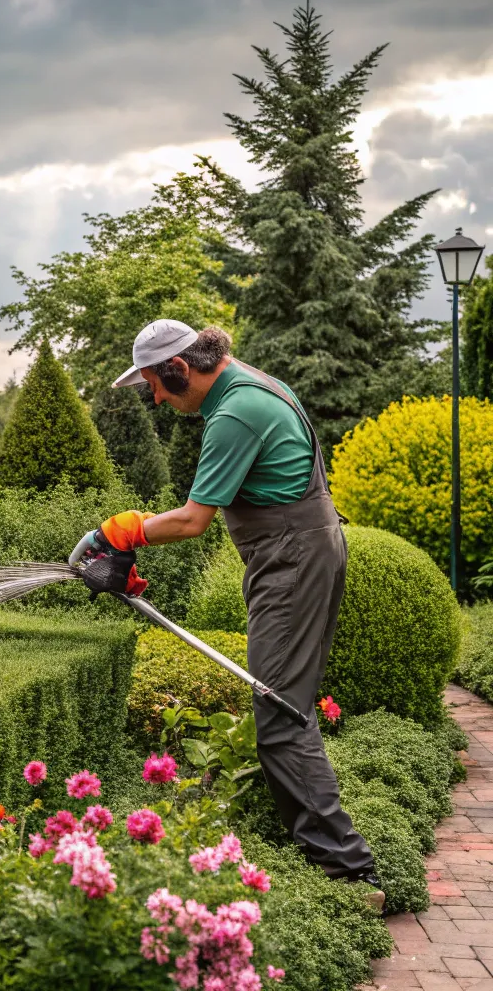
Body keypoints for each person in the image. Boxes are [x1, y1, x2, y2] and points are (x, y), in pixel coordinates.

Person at [72, 319, 384, 910]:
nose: (156, 400)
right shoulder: (252, 386)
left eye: (154, 387)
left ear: (179, 368)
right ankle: (333, 858)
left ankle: (348, 877)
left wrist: (120, 531)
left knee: (281, 715)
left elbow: (193, 521)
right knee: (285, 706)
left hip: (291, 561)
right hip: (302, 550)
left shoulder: (234, 414)